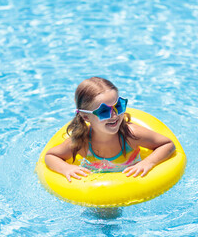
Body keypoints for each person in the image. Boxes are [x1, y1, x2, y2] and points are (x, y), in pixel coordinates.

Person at [45, 77, 175, 182]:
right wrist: (66, 168)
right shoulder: (82, 142)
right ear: (86, 117)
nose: (114, 115)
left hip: (133, 185)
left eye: (118, 106)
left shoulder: (131, 135)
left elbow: (167, 144)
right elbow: (51, 156)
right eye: (104, 111)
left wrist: (148, 162)